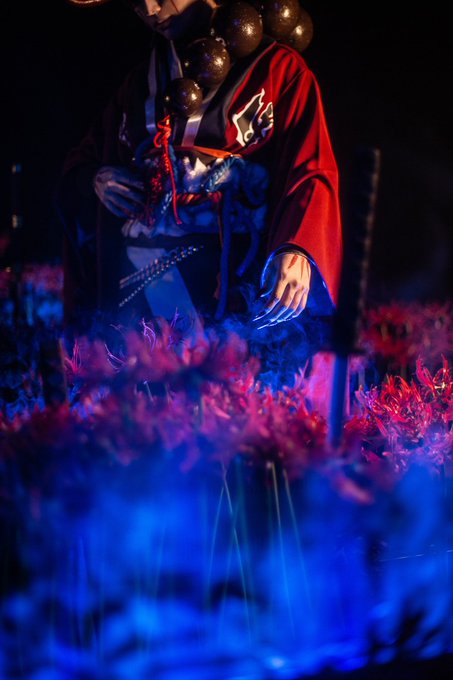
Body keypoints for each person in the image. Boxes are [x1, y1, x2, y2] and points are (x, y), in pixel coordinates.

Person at [57, 0, 342, 349]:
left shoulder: (278, 70)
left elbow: (311, 168)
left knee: (235, 376)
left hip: (238, 275)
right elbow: (83, 161)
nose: (150, 9)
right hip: (144, 276)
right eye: (135, 3)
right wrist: (95, 179)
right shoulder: (139, 81)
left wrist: (297, 245)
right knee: (147, 373)